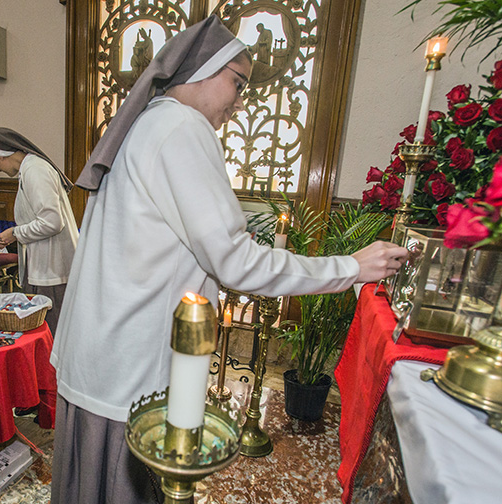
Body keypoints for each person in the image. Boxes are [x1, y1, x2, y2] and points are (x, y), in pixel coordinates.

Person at [49, 16, 408, 504]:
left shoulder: (149, 123)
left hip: (100, 351)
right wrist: (350, 268)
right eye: (237, 83)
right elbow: (235, 261)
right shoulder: (181, 127)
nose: (239, 105)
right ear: (200, 70)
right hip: (128, 362)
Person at [0, 127, 79, 335]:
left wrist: (15, 233)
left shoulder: (34, 170)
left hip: (52, 270)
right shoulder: (31, 168)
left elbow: (53, 222)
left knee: (54, 335)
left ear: (0, 155)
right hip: (47, 265)